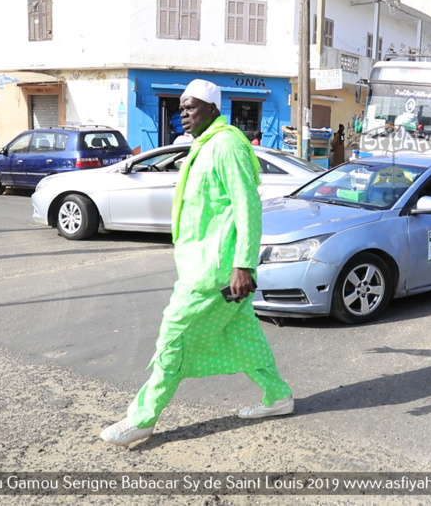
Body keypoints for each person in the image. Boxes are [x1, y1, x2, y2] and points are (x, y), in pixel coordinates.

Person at [100, 79, 293, 447]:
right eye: (181, 107)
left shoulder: (227, 146)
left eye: (190, 107)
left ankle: (141, 418)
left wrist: (244, 265)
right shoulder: (205, 145)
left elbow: (247, 207)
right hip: (200, 262)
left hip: (215, 270)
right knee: (243, 334)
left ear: (212, 109)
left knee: (173, 336)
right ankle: (278, 397)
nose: (182, 114)